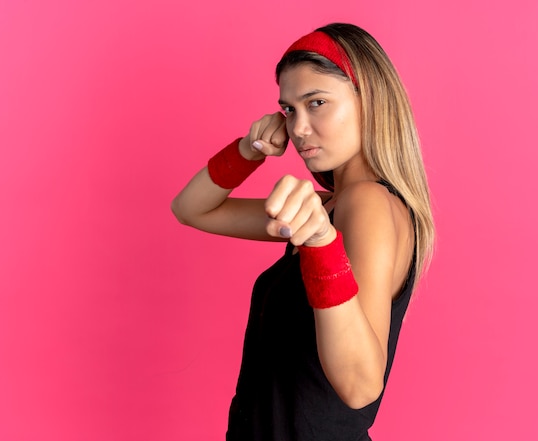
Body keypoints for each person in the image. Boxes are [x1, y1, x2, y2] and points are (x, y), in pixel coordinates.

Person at [171, 22, 434, 441]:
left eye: (316, 103)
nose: (298, 129)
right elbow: (191, 209)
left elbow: (360, 386)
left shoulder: (367, 203)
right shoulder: (328, 207)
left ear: (370, 99)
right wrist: (247, 151)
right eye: (290, 109)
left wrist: (320, 243)